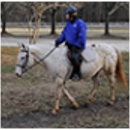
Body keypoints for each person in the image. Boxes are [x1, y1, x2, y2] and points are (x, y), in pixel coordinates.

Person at [55, 6, 87, 81]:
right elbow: (64, 34)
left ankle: (78, 74)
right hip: (69, 45)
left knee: (74, 56)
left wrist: (76, 44)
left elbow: (81, 36)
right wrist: (58, 41)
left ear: (72, 14)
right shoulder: (68, 24)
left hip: (78, 46)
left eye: (67, 14)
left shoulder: (80, 23)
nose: (65, 16)